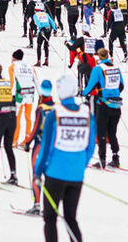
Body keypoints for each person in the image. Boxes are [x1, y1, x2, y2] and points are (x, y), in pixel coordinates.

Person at [33, 75, 94, 242]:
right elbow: (90, 147)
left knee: (50, 218)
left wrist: (38, 171)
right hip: (76, 176)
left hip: (55, 174)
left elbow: (46, 147)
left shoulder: (55, 114)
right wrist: (80, 165)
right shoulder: (86, 113)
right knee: (70, 218)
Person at [82, 47, 124, 169]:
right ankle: (116, 157)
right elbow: (122, 85)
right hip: (116, 105)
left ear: (99, 56)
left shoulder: (98, 69)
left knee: (101, 133)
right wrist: (114, 93)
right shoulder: (116, 68)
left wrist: (83, 93)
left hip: (104, 105)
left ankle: (102, 159)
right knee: (112, 132)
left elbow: (90, 86)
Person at [21, 79, 54, 215]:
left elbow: (35, 128)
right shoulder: (56, 107)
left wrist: (28, 143)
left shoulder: (41, 109)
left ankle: (37, 204)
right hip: (53, 146)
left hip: (40, 145)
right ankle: (50, 206)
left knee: (36, 173)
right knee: (50, 176)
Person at [9, 49, 36, 146]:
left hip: (19, 94)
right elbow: (35, 80)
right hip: (30, 92)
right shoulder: (30, 66)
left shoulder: (12, 66)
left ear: (14, 57)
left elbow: (13, 83)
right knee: (28, 117)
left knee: (17, 118)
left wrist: (10, 96)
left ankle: (14, 141)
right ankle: (27, 140)